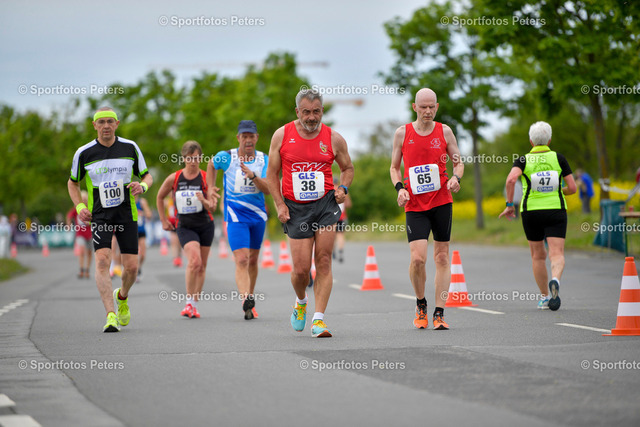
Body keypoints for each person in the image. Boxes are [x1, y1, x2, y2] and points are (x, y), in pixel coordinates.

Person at [266, 88, 354, 338]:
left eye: (316, 112)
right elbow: (271, 174)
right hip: (295, 208)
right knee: (301, 271)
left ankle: (319, 320)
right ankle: (301, 301)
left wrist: (343, 188)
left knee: (324, 260)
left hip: (325, 205)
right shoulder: (282, 135)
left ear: (322, 111)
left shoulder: (334, 138)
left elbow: (347, 168)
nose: (312, 117)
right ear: (297, 111)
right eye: (306, 112)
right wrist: (280, 204)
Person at [68, 107, 153, 332]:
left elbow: (147, 176)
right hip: (100, 216)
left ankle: (122, 296)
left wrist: (142, 186)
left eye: (110, 121)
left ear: (117, 124)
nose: (106, 125)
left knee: (131, 267)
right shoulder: (83, 153)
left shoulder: (130, 147)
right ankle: (111, 315)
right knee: (103, 261)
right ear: (94, 125)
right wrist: (79, 206)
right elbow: (73, 182)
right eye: (101, 122)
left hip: (127, 214)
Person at [390, 88, 464, 331]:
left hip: (441, 201)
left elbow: (458, 162)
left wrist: (456, 178)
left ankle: (439, 313)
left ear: (437, 106)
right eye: (423, 107)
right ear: (414, 107)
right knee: (418, 259)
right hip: (415, 204)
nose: (428, 111)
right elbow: (394, 168)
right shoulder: (402, 133)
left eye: (432, 106)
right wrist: (400, 188)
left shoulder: (445, 131)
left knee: (442, 256)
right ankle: (421, 302)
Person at [499, 121, 577, 311]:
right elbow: (573, 188)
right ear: (549, 140)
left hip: (531, 211)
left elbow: (511, 179)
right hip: (555, 209)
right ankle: (555, 279)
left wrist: (509, 205)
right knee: (556, 253)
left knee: (538, 256)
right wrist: (557, 190)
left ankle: (544, 297)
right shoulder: (558, 158)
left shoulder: (523, 160)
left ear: (531, 141)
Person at [208, 120, 270, 320]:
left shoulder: (264, 159)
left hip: (258, 217)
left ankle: (250, 297)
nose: (248, 140)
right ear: (238, 138)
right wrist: (210, 187)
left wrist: (253, 176)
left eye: (251, 136)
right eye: (244, 136)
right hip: (235, 217)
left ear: (257, 138)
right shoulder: (227, 157)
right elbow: (211, 164)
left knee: (253, 260)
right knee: (242, 259)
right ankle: (245, 299)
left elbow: (268, 189)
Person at [157, 141, 217, 319]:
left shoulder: (206, 178)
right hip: (185, 225)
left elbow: (213, 207)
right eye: (189, 158)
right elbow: (160, 197)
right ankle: (188, 302)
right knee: (194, 261)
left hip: (205, 225)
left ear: (201, 158)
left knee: (202, 266)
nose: (193, 162)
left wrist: (204, 201)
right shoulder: (175, 178)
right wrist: (163, 220)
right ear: (183, 158)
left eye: (196, 158)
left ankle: (194, 305)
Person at [66, 190, 93, 278]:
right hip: (80, 234)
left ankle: (87, 270)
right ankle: (81, 270)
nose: (84, 201)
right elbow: (69, 216)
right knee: (81, 251)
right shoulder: (77, 209)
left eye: (85, 199)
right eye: (82, 199)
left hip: (90, 233)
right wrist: (69, 225)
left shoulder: (90, 208)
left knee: (89, 252)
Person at [333, 177, 352, 263]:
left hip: (331, 216)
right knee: (340, 235)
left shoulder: (329, 190)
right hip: (341, 216)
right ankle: (340, 252)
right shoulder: (343, 191)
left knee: (332, 235)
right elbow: (348, 205)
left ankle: (333, 252)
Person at [135, 194, 153, 281]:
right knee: (133, 254)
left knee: (143, 255)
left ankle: (139, 268)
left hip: (141, 231)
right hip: (131, 232)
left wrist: (142, 213)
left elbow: (149, 215)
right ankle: (134, 271)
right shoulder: (127, 201)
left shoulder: (142, 202)